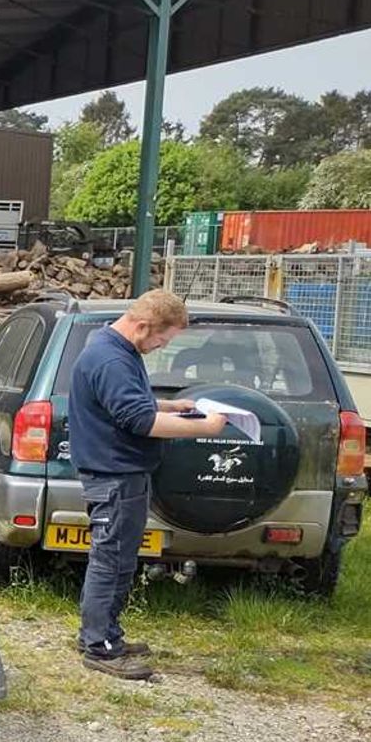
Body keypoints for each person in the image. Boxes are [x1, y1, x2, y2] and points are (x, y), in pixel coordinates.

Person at [67, 290, 226, 680]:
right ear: (142, 326)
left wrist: (168, 406)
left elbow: (128, 404)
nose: (161, 347)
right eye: (162, 339)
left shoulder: (111, 347)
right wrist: (204, 428)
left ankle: (104, 634)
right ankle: (100, 648)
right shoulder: (111, 358)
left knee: (117, 559)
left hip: (120, 472)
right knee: (112, 561)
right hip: (115, 474)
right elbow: (139, 421)